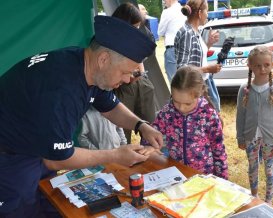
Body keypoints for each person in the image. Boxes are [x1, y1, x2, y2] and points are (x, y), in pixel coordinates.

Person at [0, 15, 163, 217]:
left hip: (33, 146)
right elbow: (56, 160)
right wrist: (115, 155)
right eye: (125, 72)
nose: (129, 79)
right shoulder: (61, 90)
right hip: (10, 157)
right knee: (21, 211)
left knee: (50, 201)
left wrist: (141, 125)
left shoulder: (87, 66)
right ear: (104, 59)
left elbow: (110, 106)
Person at [141, 66, 228, 179]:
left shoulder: (208, 114)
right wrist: (148, 145)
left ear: (199, 94)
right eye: (176, 101)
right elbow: (151, 132)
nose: (181, 108)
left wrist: (223, 179)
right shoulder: (168, 112)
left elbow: (218, 149)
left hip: (204, 176)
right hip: (176, 173)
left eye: (187, 104)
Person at [236, 46, 273, 204]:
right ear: (249, 65)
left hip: (269, 139)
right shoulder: (245, 89)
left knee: (269, 169)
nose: (262, 69)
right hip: (250, 137)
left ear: (272, 64)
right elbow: (240, 115)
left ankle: (269, 201)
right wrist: (240, 137)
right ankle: (254, 196)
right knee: (253, 167)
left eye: (266, 64)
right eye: (257, 65)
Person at [112, 3, 156, 144]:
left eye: (138, 26)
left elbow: (139, 59)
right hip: (122, 88)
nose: (137, 30)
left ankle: (154, 157)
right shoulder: (111, 39)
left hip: (140, 83)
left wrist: (141, 75)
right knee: (123, 132)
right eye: (134, 26)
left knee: (151, 126)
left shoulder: (135, 38)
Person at [174, 0, 222, 112]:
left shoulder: (194, 31)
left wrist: (209, 43)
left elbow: (196, 56)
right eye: (207, 11)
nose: (207, 15)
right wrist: (208, 69)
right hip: (194, 87)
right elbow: (182, 68)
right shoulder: (187, 33)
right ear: (200, 13)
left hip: (202, 82)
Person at [158, 0, 186, 82]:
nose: (164, 2)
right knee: (185, 80)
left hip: (172, 49)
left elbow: (160, 32)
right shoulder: (184, 11)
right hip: (185, 48)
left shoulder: (167, 12)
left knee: (174, 81)